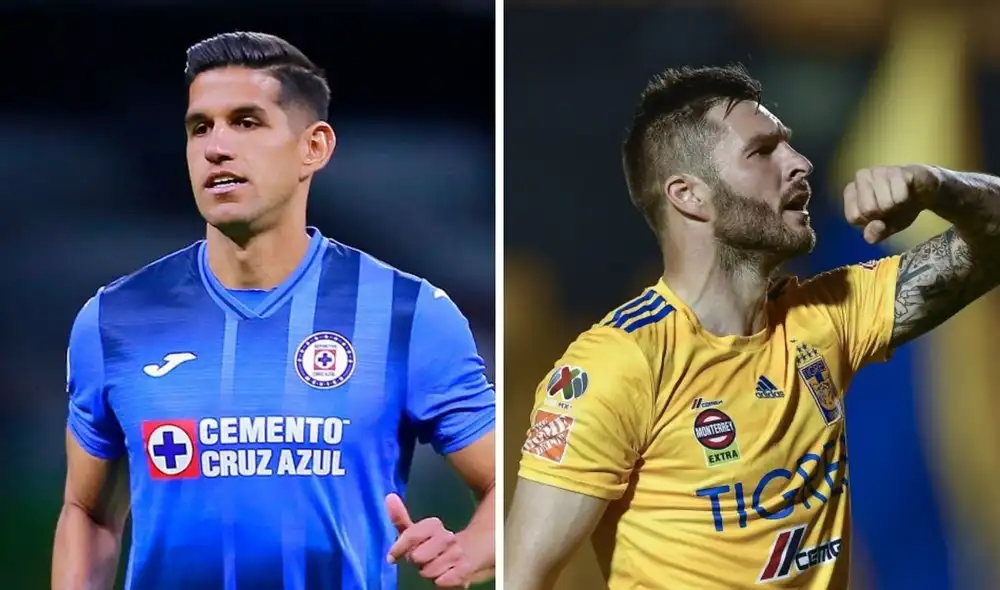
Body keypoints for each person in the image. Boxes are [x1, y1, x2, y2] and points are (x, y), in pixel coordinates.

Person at [504, 64, 1000, 589]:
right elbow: (522, 574)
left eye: (788, 145)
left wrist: (940, 186)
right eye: (763, 152)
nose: (799, 163)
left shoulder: (831, 316)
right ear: (689, 195)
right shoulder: (620, 365)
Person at [51, 31, 495, 590]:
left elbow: (507, 488)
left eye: (246, 122)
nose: (216, 147)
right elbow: (88, 513)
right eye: (199, 127)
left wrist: (469, 550)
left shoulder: (407, 314)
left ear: (314, 148)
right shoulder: (115, 318)